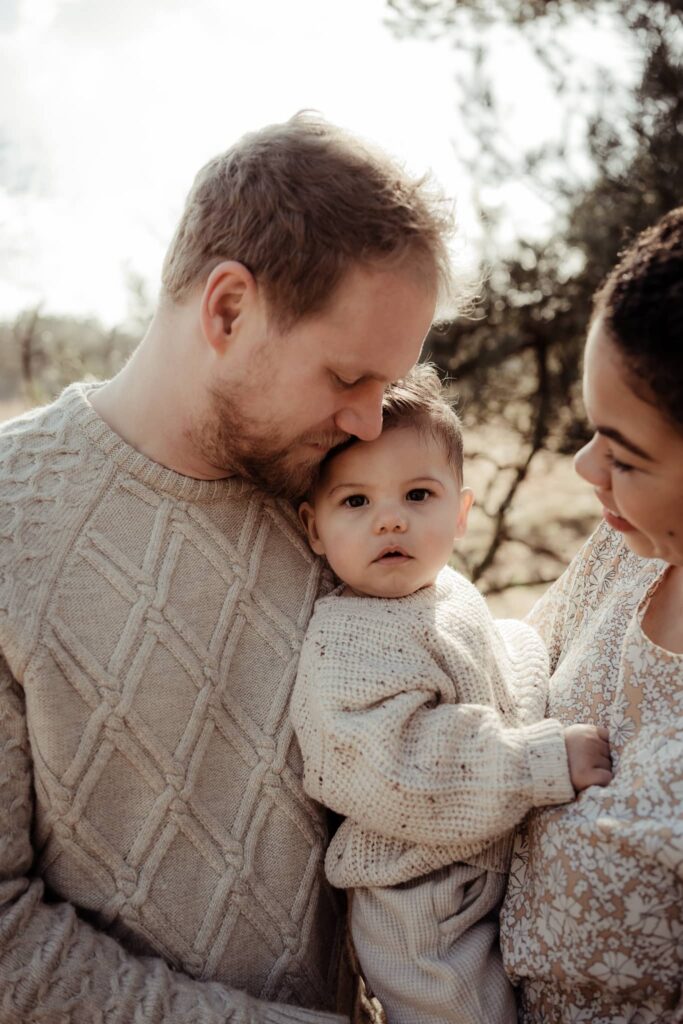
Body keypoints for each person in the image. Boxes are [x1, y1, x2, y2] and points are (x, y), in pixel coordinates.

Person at [0, 114, 456, 1022]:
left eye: (387, 386)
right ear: (228, 308)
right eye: (346, 378)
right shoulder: (11, 527)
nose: (370, 423)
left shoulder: (345, 502)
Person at [291, 364, 612, 1024]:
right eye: (355, 502)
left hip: (474, 868)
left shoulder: (445, 593)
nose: (389, 521)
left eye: (416, 495)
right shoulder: (345, 643)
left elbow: (500, 661)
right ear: (314, 527)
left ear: (460, 511)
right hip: (419, 905)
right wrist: (541, 761)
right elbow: (399, 767)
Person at [500, 206, 683, 1023]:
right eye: (588, 429)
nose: (583, 468)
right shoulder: (620, 552)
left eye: (624, 453)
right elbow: (494, 681)